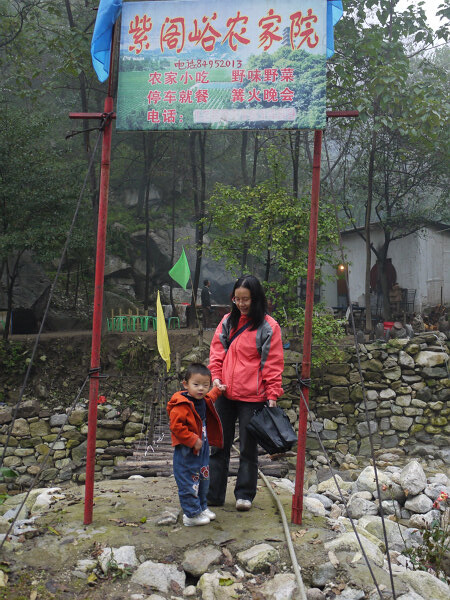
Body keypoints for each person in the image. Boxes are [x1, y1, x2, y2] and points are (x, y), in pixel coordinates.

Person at [207, 275, 284, 511]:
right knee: (218, 444)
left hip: (254, 396)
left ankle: (245, 494)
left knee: (248, 448)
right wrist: (216, 378)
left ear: (255, 298)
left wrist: (272, 394)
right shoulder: (227, 322)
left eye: (246, 299)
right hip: (225, 393)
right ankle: (213, 494)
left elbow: (272, 362)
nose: (241, 303)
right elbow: (217, 352)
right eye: (237, 298)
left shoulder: (269, 326)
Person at [167, 363, 223, 526]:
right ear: (185, 384)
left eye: (205, 385)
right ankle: (190, 515)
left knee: (204, 478)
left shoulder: (203, 399)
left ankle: (201, 507)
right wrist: (192, 439)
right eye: (196, 385)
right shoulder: (181, 405)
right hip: (187, 450)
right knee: (189, 481)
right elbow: (176, 426)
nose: (201, 389)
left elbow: (211, 397)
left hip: (202, 448)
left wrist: (218, 389)